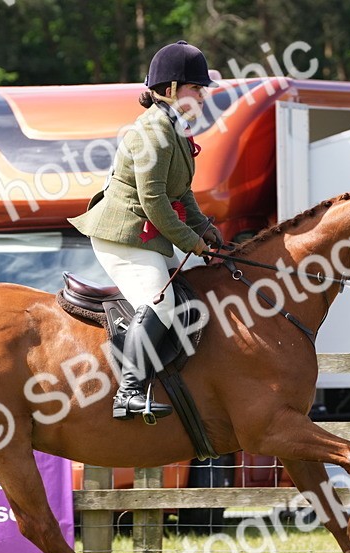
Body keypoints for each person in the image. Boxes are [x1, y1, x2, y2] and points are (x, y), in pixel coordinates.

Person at [68, 40, 223, 421]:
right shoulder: (152, 133)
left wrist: (205, 228)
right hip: (122, 236)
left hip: (146, 234)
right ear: (170, 90)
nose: (203, 97)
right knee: (160, 302)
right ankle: (129, 391)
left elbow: (181, 192)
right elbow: (153, 201)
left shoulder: (174, 128)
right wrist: (193, 243)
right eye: (196, 89)